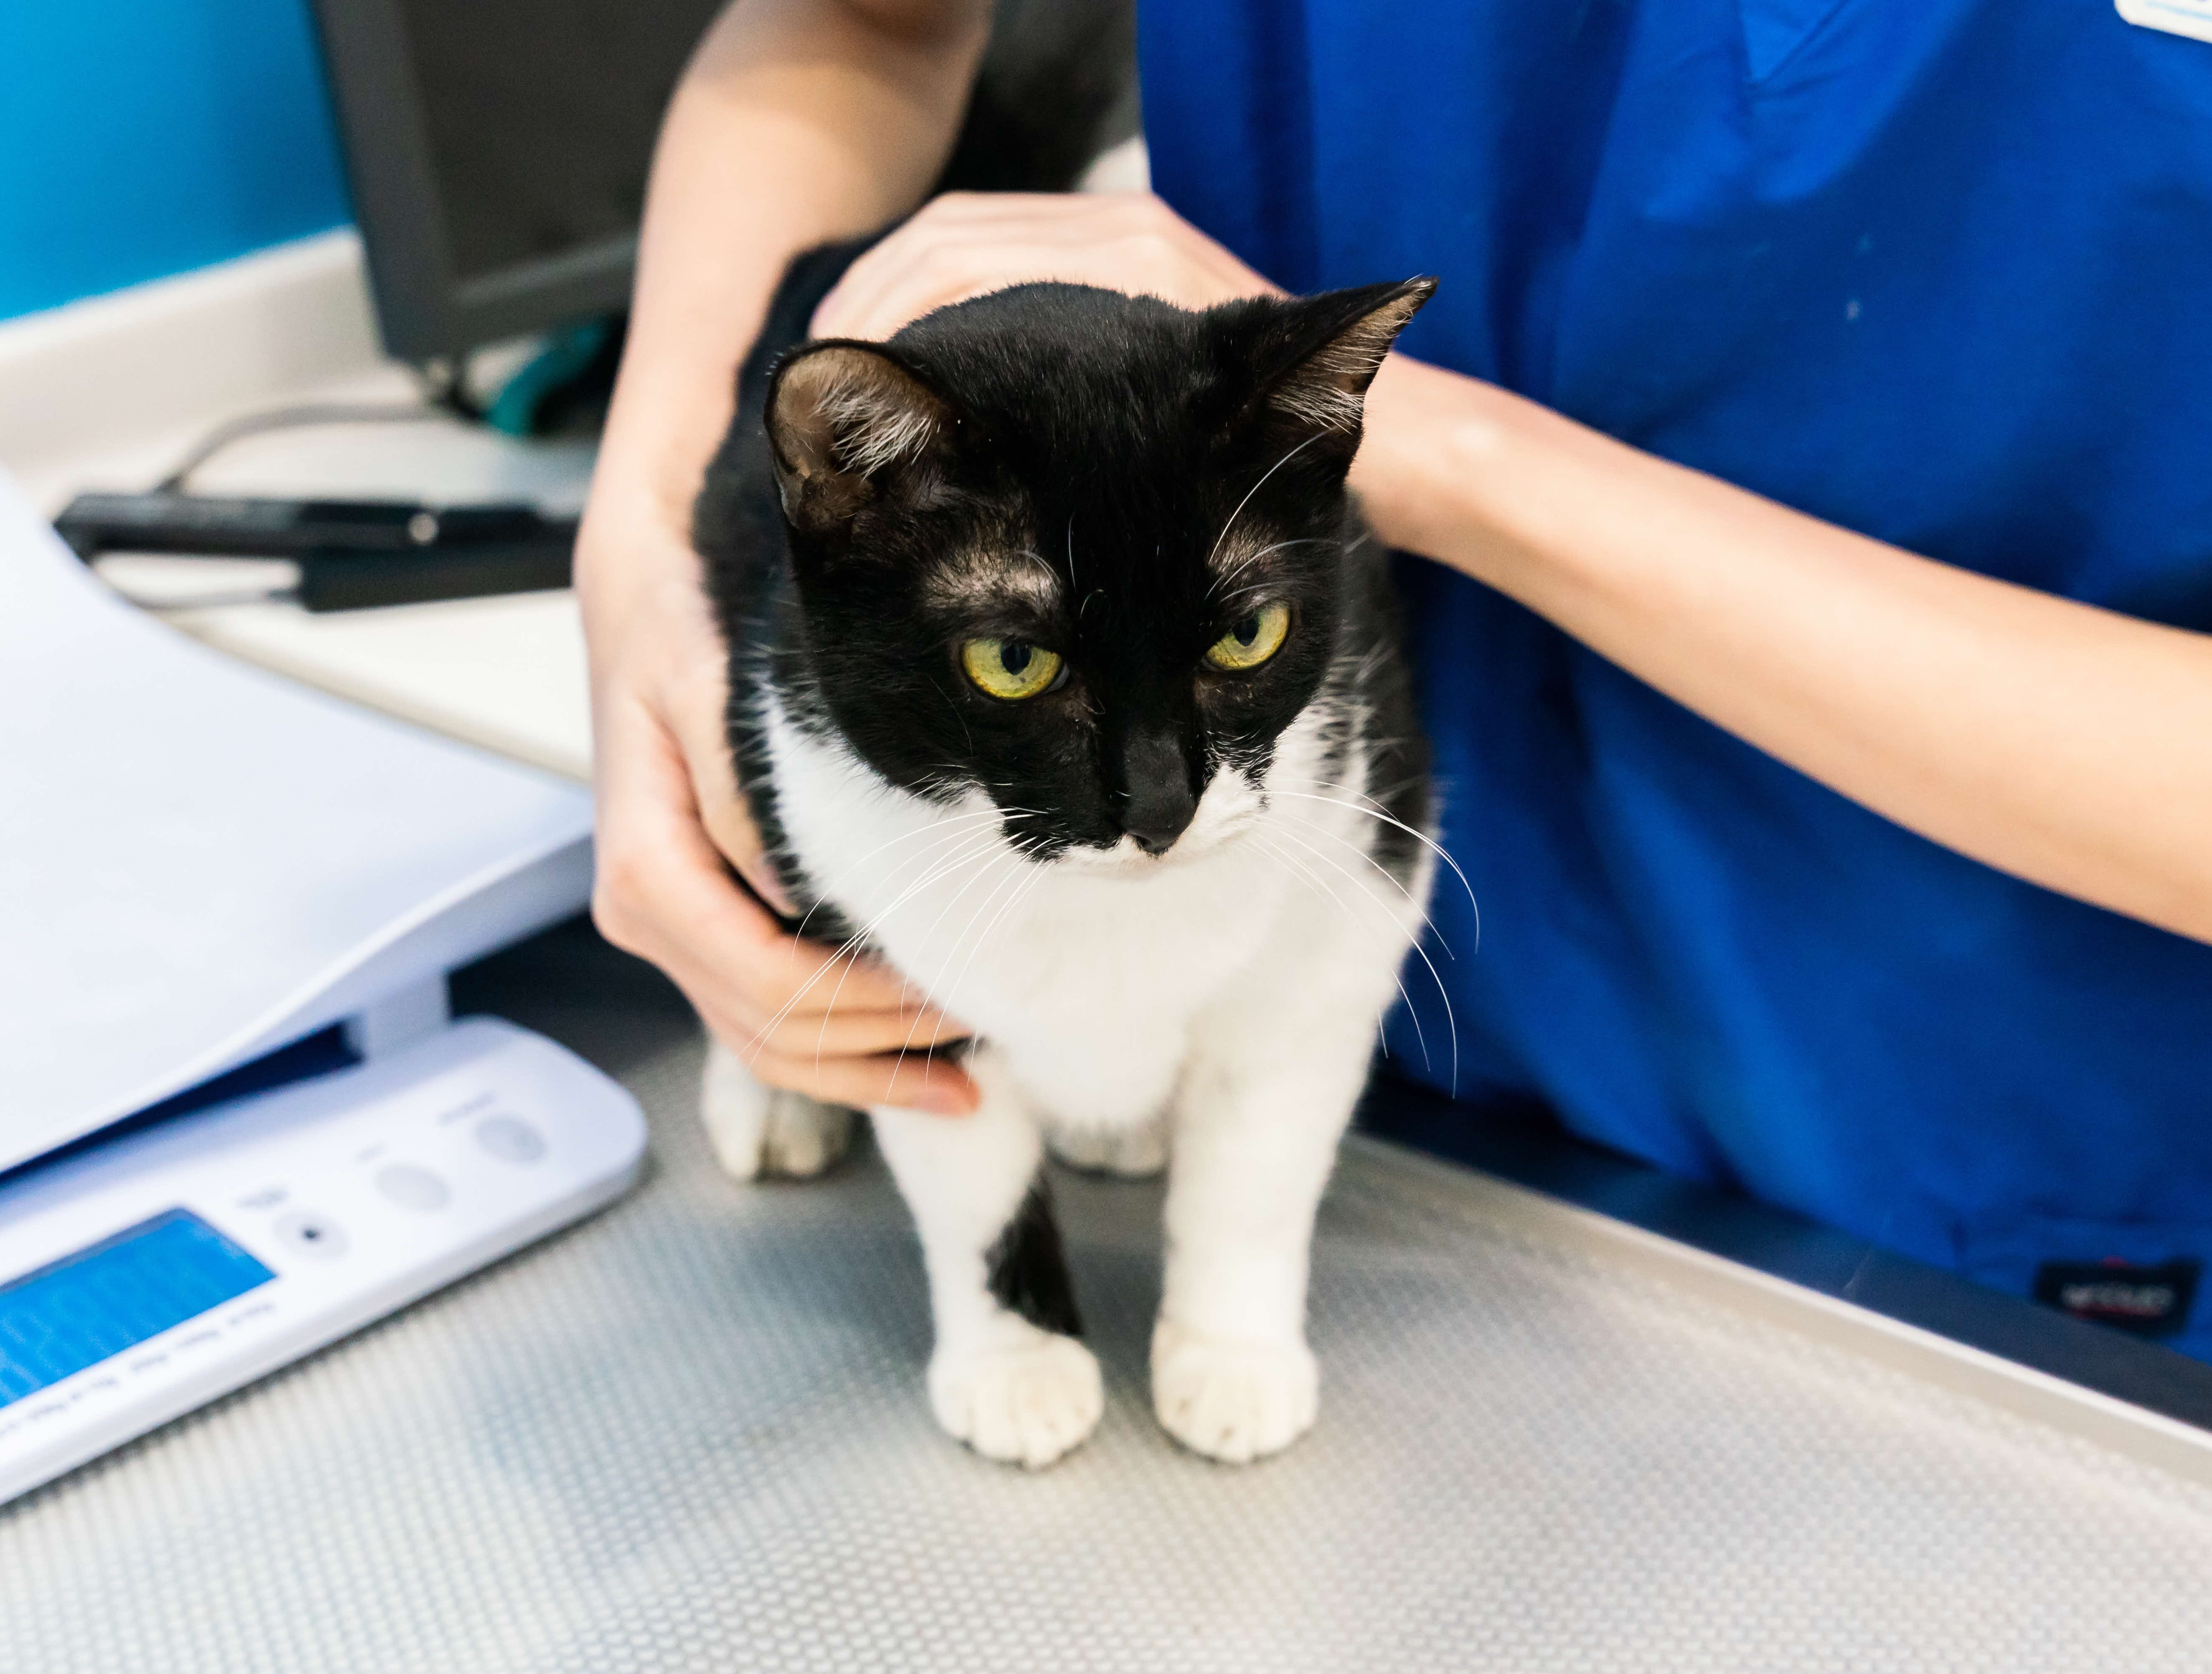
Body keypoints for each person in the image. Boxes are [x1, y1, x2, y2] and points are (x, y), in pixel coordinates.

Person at [577, 0, 2212, 1355]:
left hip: (1982, 1173)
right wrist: (644, 540)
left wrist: (1453, 458)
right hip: (1386, 1066)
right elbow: (862, 20)